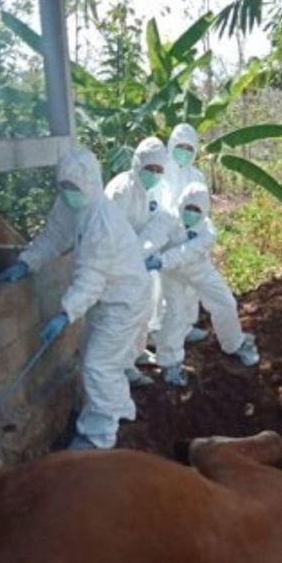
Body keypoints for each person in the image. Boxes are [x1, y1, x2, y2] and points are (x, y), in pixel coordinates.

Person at [0, 146, 152, 450]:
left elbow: (91, 277)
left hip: (125, 299)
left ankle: (99, 436)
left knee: (98, 365)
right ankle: (118, 409)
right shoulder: (70, 204)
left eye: (74, 187)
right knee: (98, 358)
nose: (69, 193)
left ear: (90, 183)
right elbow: (54, 236)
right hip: (106, 297)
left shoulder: (101, 221)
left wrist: (65, 312)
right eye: (64, 186)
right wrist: (27, 262)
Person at [147, 182, 259, 386]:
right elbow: (151, 237)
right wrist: (143, 253)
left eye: (196, 210)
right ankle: (169, 364)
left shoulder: (208, 230)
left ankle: (234, 344)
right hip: (172, 275)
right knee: (175, 315)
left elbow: (188, 252)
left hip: (199, 272)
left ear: (204, 210)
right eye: (188, 208)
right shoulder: (168, 218)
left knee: (225, 303)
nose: (191, 213)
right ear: (181, 204)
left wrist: (161, 260)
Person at [104, 137, 175, 386]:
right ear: (137, 164)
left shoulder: (150, 189)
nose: (154, 174)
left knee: (144, 308)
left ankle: (136, 352)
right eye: (150, 169)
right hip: (119, 265)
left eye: (158, 170)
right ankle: (123, 368)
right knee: (124, 315)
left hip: (139, 261)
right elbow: (111, 233)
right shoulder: (120, 190)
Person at [153, 123, 211, 345]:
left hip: (188, 238)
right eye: (180, 146)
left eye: (189, 148)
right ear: (172, 146)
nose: (184, 152)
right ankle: (157, 330)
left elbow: (203, 205)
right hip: (165, 238)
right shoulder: (161, 172)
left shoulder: (196, 175)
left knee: (189, 286)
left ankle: (186, 326)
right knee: (161, 289)